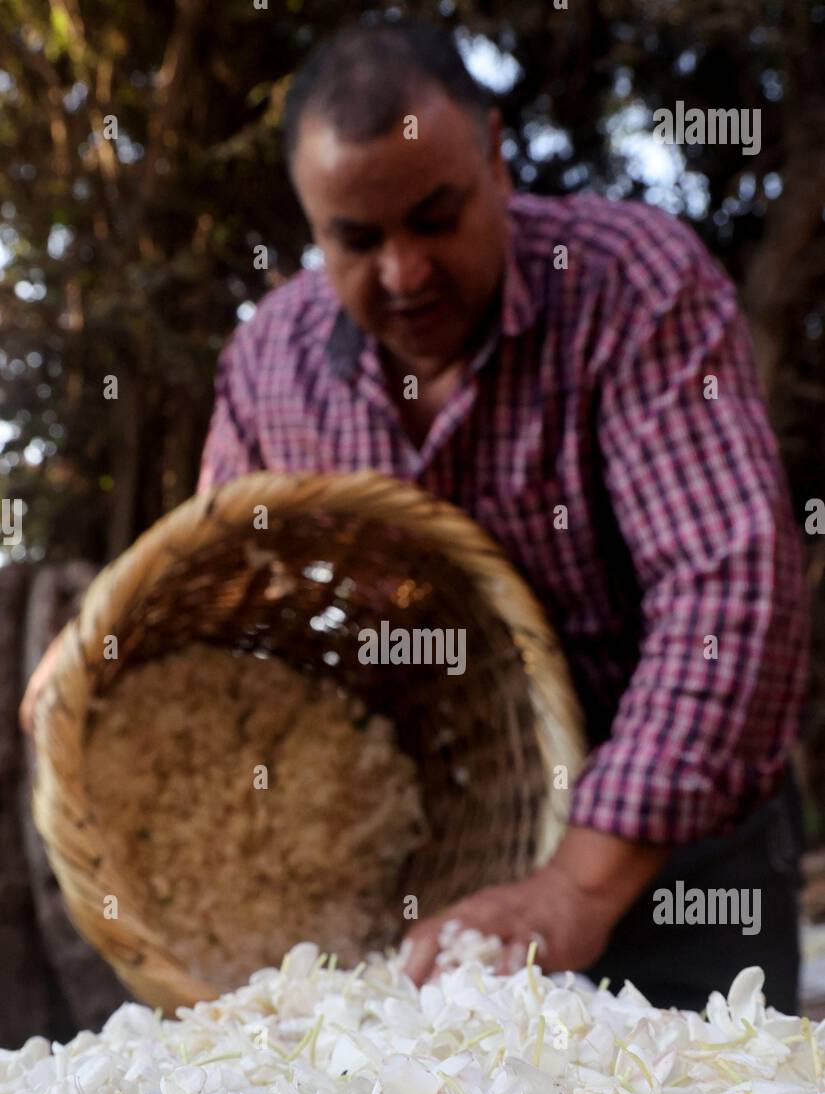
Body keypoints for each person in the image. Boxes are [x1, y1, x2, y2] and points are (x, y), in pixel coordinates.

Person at [22, 18, 809, 1011]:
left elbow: (728, 590)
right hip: (443, 854)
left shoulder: (629, 286)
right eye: (357, 239)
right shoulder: (274, 361)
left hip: (680, 848)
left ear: (494, 154)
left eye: (437, 218)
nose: (404, 273)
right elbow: (224, 552)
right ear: (311, 222)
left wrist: (576, 880)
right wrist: (110, 636)